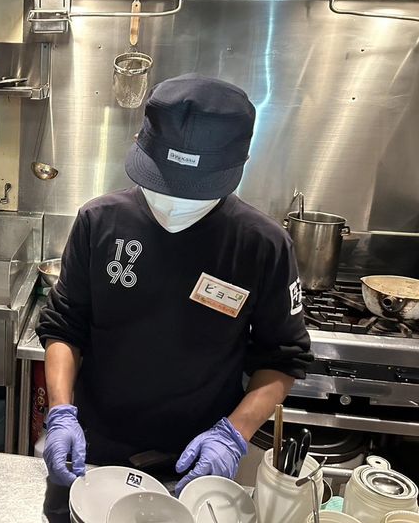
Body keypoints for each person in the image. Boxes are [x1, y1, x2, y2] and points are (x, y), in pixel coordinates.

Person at [36, 73, 312, 495]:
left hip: (199, 456)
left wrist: (232, 435)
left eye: (195, 190)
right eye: (164, 181)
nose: (176, 202)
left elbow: (283, 358)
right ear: (141, 145)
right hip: (95, 443)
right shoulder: (99, 221)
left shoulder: (263, 244)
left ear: (236, 165)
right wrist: (61, 412)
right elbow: (64, 325)